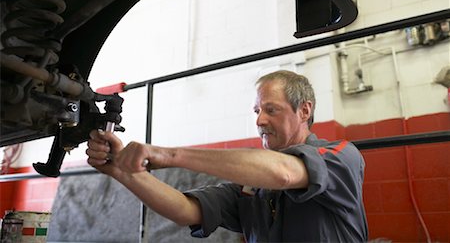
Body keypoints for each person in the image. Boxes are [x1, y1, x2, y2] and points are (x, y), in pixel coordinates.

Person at [87, 70, 368, 242]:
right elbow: (186, 211)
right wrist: (124, 173)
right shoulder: (253, 187)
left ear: (304, 111)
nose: (260, 121)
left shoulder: (341, 157)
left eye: (271, 110)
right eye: (257, 111)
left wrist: (168, 154)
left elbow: (285, 173)